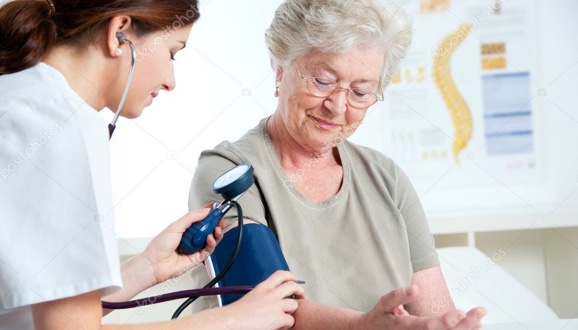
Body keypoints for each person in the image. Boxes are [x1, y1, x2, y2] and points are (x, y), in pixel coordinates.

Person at [0, 0, 304, 329]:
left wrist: (148, 266)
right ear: (120, 34)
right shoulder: (65, 121)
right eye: (173, 53)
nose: (171, 81)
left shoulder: (23, 97)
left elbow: (34, 312)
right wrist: (236, 319)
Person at [188, 0, 487, 328]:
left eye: (360, 92)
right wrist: (362, 325)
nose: (337, 106)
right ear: (280, 70)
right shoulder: (228, 171)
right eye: (322, 81)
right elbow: (261, 310)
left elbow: (434, 314)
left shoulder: (386, 178)